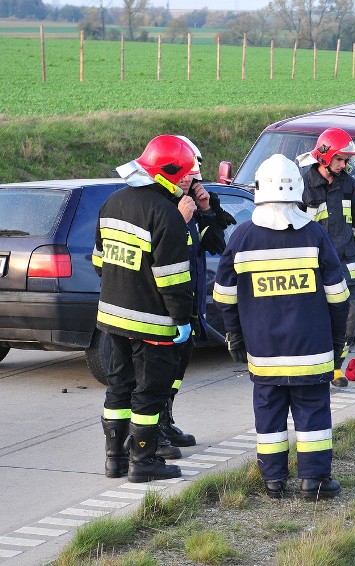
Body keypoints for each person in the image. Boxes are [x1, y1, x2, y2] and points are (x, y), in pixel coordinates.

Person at [213, 154, 350, 500]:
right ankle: (314, 481)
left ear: (259, 191)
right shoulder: (315, 234)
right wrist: (338, 340)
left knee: (269, 415)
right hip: (313, 350)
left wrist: (235, 334)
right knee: (313, 414)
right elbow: (338, 295)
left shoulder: (242, 237)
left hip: (264, 351)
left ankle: (274, 481)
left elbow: (223, 295)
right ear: (298, 190)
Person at [94, 134, 196, 483]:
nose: (189, 180)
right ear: (167, 174)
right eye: (184, 174)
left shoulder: (112, 202)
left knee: (118, 387)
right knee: (149, 393)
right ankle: (143, 462)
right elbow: (172, 279)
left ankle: (115, 459)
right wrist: (182, 319)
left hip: (111, 317)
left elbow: (99, 262)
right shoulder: (166, 213)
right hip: (153, 323)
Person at [155, 136, 234, 459]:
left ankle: (166, 418)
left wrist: (205, 210)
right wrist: (181, 217)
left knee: (178, 366)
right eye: (186, 173)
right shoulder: (164, 205)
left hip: (189, 301)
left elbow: (216, 245)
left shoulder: (194, 203)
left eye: (194, 174)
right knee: (158, 370)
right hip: (164, 304)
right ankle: (154, 426)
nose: (191, 179)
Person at [298, 128, 355, 388]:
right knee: (314, 319)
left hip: (346, 260)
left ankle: (335, 368)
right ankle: (313, 368)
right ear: (324, 157)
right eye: (340, 159)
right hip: (313, 265)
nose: (344, 165)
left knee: (352, 314)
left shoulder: (349, 186)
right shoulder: (302, 186)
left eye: (346, 160)